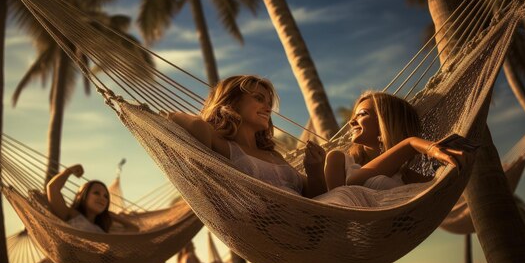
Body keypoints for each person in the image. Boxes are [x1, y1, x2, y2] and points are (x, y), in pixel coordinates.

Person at [170, 75, 327, 197]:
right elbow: (177, 118)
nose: (268, 109)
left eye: (269, 103)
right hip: (272, 227)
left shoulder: (273, 155)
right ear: (233, 101)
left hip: (310, 224)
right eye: (259, 99)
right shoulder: (221, 145)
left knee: (336, 159)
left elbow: (316, 198)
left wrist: (315, 170)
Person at [323, 91, 466, 192]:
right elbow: (352, 184)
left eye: (362, 114)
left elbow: (442, 187)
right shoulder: (339, 160)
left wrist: (457, 165)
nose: (351, 121)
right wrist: (411, 144)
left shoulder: (406, 176)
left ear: (385, 122)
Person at [46, 164, 139, 233]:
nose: (102, 198)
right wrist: (69, 171)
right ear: (83, 196)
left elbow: (134, 229)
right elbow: (52, 188)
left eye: (106, 196)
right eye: (96, 193)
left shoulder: (102, 230)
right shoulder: (72, 215)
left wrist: (113, 216)